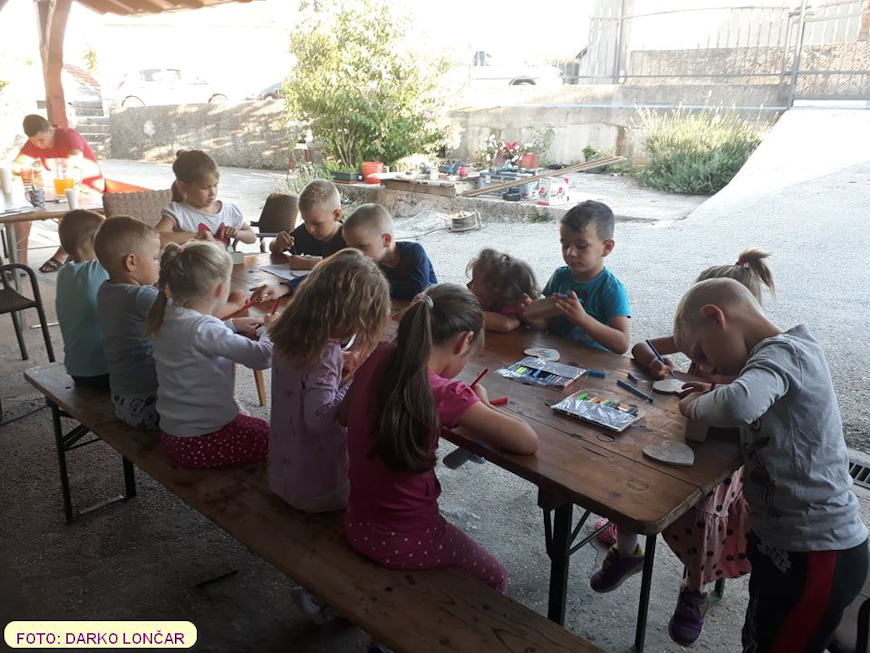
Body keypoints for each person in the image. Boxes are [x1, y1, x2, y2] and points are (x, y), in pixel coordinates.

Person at [674, 278, 868, 653]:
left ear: (716, 317)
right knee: (761, 638)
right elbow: (749, 400)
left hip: (818, 550)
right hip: (783, 543)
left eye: (701, 353)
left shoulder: (787, 352)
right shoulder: (770, 364)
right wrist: (715, 392)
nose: (705, 366)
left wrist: (695, 406)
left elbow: (740, 404)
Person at [594, 249, 774, 646]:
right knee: (634, 470)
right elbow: (642, 346)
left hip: (724, 460)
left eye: (704, 351)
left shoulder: (758, 364)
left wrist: (715, 388)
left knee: (705, 512)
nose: (701, 358)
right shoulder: (701, 335)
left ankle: (695, 589)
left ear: (723, 319)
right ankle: (628, 551)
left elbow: (747, 408)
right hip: (684, 435)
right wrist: (657, 365)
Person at [342, 284, 538, 594]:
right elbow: (527, 441)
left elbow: (343, 414)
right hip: (406, 538)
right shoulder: (446, 393)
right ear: (464, 341)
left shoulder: (380, 353)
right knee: (496, 577)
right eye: (470, 356)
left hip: (357, 522)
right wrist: (482, 404)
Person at [268, 248, 390, 625]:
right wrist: (353, 383)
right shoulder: (326, 353)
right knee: (385, 497)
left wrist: (339, 371)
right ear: (347, 317)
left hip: (282, 474)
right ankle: (330, 595)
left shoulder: (289, 332)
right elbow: (320, 419)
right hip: (317, 489)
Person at [145, 241, 271, 469]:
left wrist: (232, 325)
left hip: (175, 434)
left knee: (258, 426)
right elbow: (261, 357)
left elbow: (199, 336)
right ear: (220, 289)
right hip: (201, 441)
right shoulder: (202, 328)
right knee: (277, 440)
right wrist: (272, 330)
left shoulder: (167, 313)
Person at [525, 200, 630, 354]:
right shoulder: (559, 276)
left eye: (581, 246)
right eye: (565, 244)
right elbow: (545, 325)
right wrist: (529, 313)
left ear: (607, 247)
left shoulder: (611, 288)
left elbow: (622, 344)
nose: (570, 253)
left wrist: (582, 319)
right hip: (554, 356)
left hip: (592, 362)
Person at [10, 114, 105, 272]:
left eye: (40, 140)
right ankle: (21, 264)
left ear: (50, 130)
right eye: (33, 141)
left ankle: (62, 254)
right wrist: (24, 167)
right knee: (22, 213)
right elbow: (17, 165)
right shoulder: (35, 141)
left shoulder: (68, 135)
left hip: (86, 188)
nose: (37, 144)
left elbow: (75, 161)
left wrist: (58, 168)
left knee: (67, 216)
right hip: (57, 190)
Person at [93, 216, 162, 429]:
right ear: (131, 262)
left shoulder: (105, 289)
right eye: (155, 258)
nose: (158, 264)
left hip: (122, 400)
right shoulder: (141, 296)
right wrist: (234, 305)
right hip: (150, 405)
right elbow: (190, 320)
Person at [250, 178, 348, 303]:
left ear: (336, 215)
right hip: (304, 295)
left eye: (317, 223)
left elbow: (340, 270)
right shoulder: (305, 232)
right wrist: (278, 243)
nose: (311, 229)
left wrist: (308, 263)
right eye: (306, 221)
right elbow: (274, 249)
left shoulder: (350, 238)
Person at [155, 150, 256, 248]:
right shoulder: (178, 212)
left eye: (215, 185)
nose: (213, 193)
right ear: (183, 187)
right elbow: (155, 239)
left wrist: (237, 233)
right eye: (205, 187)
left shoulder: (228, 210)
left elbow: (252, 237)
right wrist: (195, 236)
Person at [55, 209, 109, 389]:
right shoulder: (100, 269)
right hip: (106, 370)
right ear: (96, 240)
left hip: (78, 372)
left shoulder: (64, 273)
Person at [342, 203, 437, 301]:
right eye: (351, 248)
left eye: (362, 246)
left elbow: (417, 290)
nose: (355, 253)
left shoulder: (413, 252)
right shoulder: (370, 262)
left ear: (386, 240)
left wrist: (372, 286)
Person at [466, 248, 539, 333]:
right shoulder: (485, 303)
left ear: (493, 291)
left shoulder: (513, 311)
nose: (468, 285)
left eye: (474, 282)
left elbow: (505, 324)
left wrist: (462, 312)